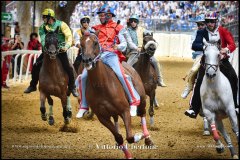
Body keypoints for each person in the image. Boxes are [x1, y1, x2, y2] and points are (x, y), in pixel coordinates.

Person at [76, 4, 140, 118]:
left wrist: (118, 47)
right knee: (83, 77)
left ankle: (133, 100)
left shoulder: (118, 27)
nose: (100, 17)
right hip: (98, 57)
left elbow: (124, 44)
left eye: (102, 15)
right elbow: (86, 37)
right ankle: (84, 105)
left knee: (121, 75)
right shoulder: (95, 28)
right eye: (100, 15)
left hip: (111, 55)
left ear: (109, 16)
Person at [185, 11, 238, 118]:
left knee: (233, 77)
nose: (210, 24)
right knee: (199, 81)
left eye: (212, 22)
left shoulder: (223, 31)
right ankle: (194, 109)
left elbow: (232, 44)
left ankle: (235, 106)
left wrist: (226, 49)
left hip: (222, 61)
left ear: (215, 22)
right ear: (206, 22)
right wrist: (206, 47)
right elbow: (195, 45)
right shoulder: (201, 32)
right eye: (208, 22)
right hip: (207, 62)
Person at [24, 8, 79, 97]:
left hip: (61, 50)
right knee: (36, 65)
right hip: (47, 51)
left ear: (50, 17)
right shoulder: (42, 27)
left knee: (68, 67)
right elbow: (42, 39)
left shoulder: (62, 24)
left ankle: (72, 86)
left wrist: (66, 47)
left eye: (44, 17)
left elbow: (69, 37)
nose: (43, 19)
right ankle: (33, 85)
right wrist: (46, 48)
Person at [125, 14, 167, 87]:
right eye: (131, 21)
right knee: (128, 66)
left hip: (144, 51)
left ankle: (160, 80)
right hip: (133, 52)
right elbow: (129, 43)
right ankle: (126, 83)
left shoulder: (142, 29)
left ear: (137, 22)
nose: (133, 22)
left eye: (135, 21)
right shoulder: (127, 30)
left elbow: (149, 34)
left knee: (155, 62)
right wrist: (136, 48)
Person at [181, 14, 206, 99]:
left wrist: (200, 45)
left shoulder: (210, 33)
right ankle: (189, 86)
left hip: (210, 54)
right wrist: (204, 46)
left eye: (202, 24)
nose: (200, 26)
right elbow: (193, 46)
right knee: (194, 70)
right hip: (199, 55)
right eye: (198, 24)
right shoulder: (195, 33)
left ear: (206, 24)